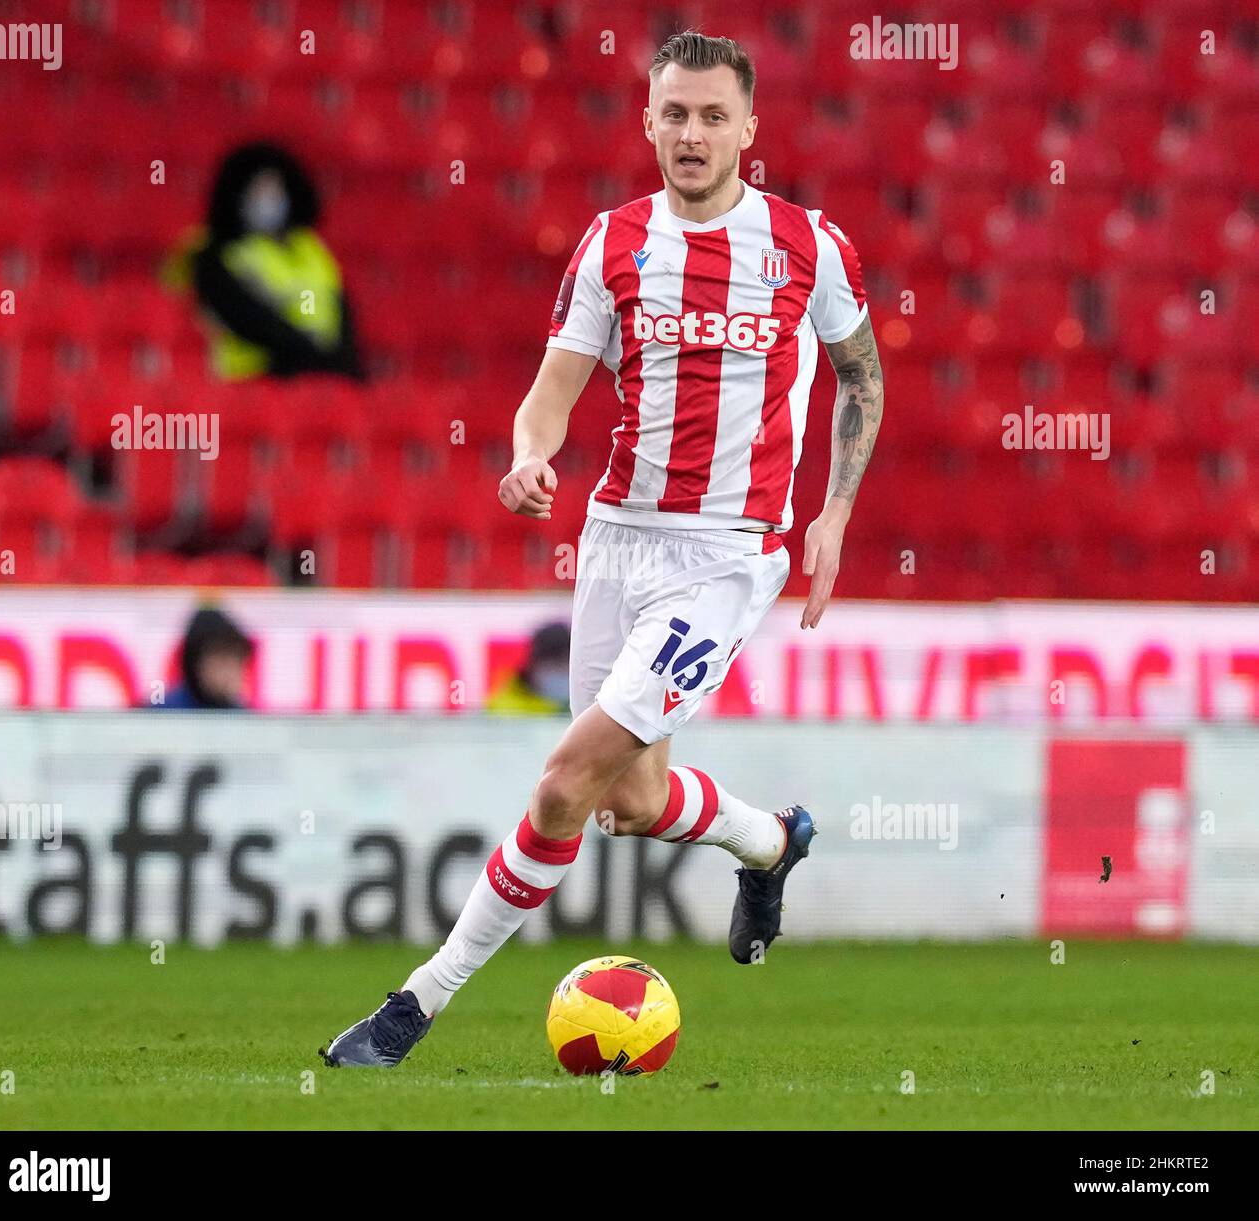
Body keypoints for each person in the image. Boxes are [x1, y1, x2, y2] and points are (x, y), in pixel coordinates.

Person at [322, 31, 884, 1069]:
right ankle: (769, 843)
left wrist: (834, 512)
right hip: (617, 544)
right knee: (627, 798)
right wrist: (530, 459)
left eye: (714, 115)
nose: (692, 133)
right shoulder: (613, 244)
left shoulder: (809, 247)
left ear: (749, 129)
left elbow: (860, 375)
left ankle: (413, 1006)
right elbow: (548, 399)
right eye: (674, 113)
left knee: (563, 785)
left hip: (727, 557)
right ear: (648, 122)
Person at [169, 142, 365, 381]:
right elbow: (246, 318)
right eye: (257, 190)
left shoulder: (311, 249)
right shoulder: (216, 251)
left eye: (275, 190)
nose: (268, 199)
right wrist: (313, 353)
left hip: (320, 375)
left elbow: (338, 311)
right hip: (255, 380)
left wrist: (341, 364)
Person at [156, 607, 254, 710]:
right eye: (222, 661)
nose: (232, 671)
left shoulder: (242, 717)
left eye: (238, 661)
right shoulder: (160, 713)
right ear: (195, 662)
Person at [485, 622, 572, 716]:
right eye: (554, 666)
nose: (561, 672)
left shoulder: (575, 704)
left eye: (565, 666)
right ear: (533, 665)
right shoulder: (505, 708)